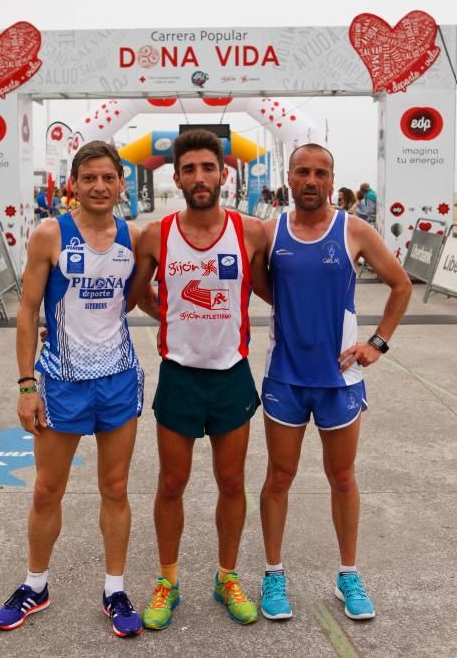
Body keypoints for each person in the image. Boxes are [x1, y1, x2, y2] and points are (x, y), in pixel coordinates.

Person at [0, 141, 157, 639]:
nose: (100, 187)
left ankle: (114, 588)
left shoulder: (135, 237)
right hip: (62, 380)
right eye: (90, 178)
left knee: (115, 488)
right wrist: (26, 385)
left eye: (109, 178)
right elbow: (27, 311)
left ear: (121, 183)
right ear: (74, 184)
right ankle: (35, 585)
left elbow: (136, 300)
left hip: (118, 378)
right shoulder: (49, 234)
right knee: (47, 489)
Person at [258, 144, 411, 622]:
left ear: (331, 179)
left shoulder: (355, 230)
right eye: (302, 171)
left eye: (320, 173)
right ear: (289, 176)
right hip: (285, 375)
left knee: (342, 478)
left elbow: (401, 285)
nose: (310, 180)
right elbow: (255, 282)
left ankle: (348, 575)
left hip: (339, 379)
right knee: (279, 478)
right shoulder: (270, 230)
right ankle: (273, 574)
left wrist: (378, 344)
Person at [127, 129, 269, 629]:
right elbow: (132, 296)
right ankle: (168, 579)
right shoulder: (155, 234)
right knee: (171, 483)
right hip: (180, 376)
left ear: (223, 173)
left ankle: (226, 575)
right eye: (189, 169)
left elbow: (278, 292)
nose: (200, 177)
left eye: (208, 167)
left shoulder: (251, 231)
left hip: (231, 376)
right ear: (176, 176)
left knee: (232, 483)